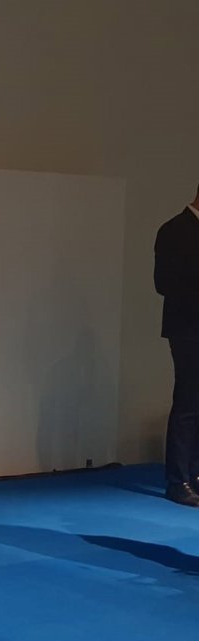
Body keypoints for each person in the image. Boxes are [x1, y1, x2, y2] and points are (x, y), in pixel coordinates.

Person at [154, 183, 199, 507]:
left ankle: (195, 473)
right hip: (187, 328)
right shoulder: (173, 229)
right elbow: (164, 283)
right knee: (188, 401)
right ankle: (178, 479)